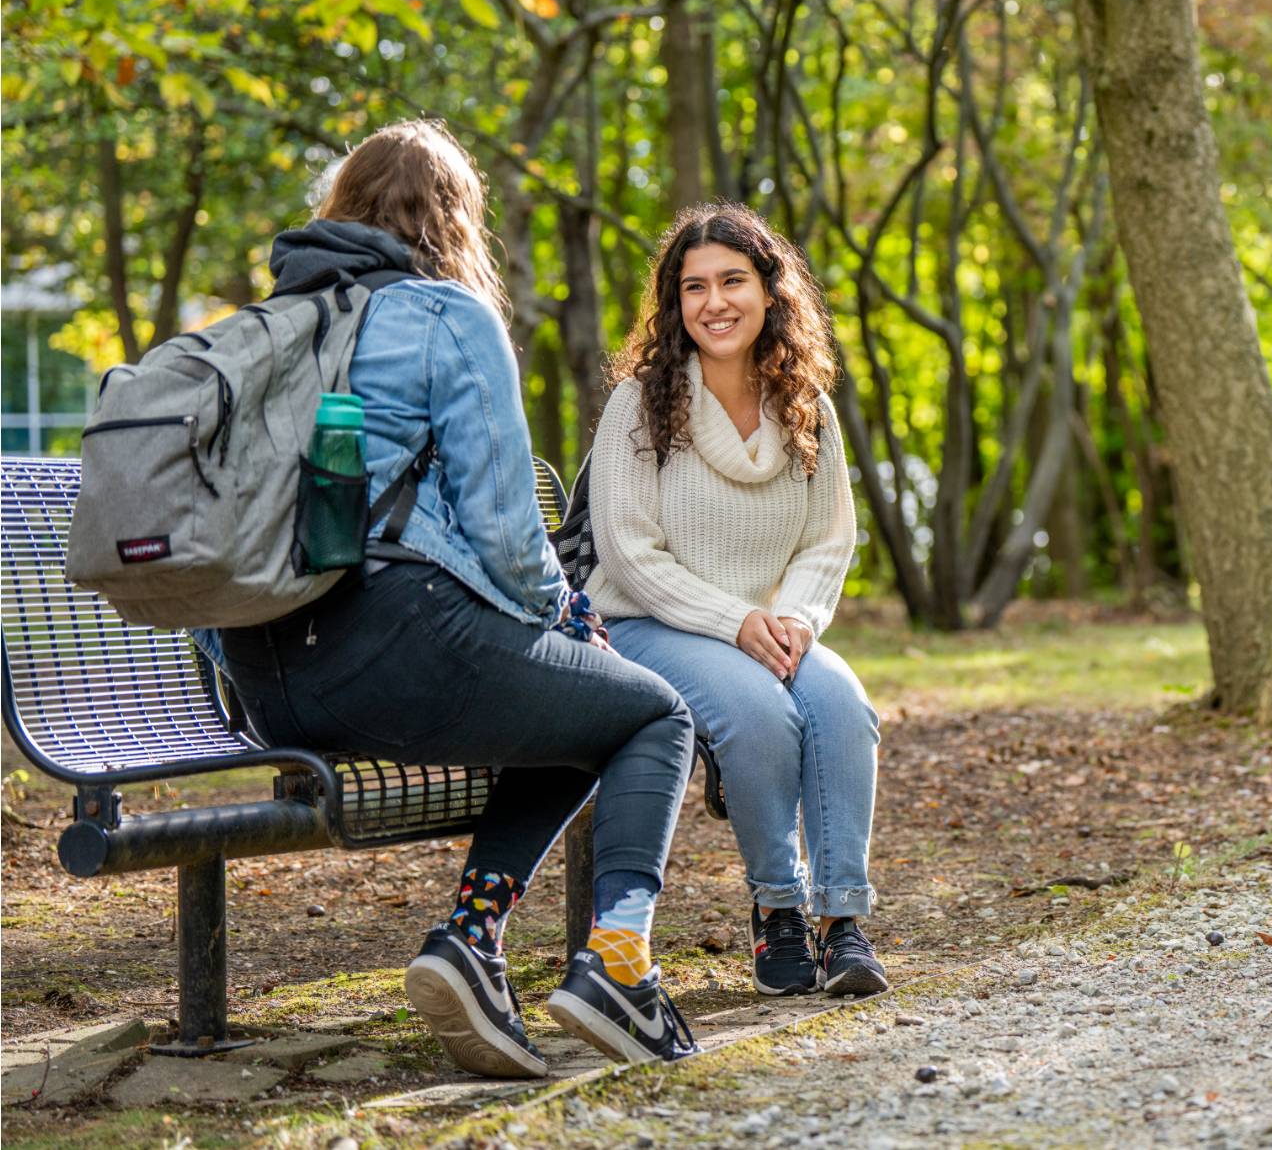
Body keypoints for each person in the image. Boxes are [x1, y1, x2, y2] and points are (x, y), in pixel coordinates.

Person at [207, 121, 702, 1075]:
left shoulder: (266, 327)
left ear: (338, 208)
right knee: (654, 713)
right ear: (453, 219)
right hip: (398, 653)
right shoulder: (447, 317)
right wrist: (574, 618)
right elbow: (511, 537)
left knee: (575, 709)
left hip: (267, 684)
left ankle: (473, 943)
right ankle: (618, 968)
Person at [585, 202, 887, 998]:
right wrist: (736, 621)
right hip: (645, 624)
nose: (713, 302)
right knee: (759, 713)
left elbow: (829, 540)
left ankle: (843, 921)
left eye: (732, 281)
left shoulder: (806, 408)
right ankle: (778, 905)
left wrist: (791, 618)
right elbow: (627, 551)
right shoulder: (640, 404)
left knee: (843, 705)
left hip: (768, 627)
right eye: (693, 287)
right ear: (675, 303)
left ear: (769, 291)